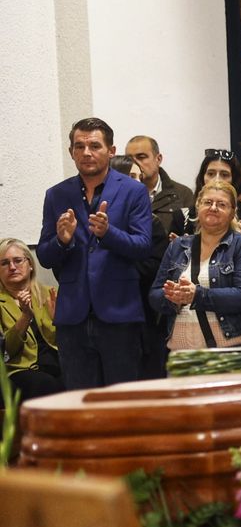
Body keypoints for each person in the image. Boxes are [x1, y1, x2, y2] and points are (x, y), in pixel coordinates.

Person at [37, 117, 153, 390]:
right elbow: (44, 255)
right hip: (72, 317)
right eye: (79, 146)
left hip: (118, 314)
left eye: (94, 145)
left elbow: (143, 246)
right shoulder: (56, 194)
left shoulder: (133, 191)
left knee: (121, 402)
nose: (86, 152)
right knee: (80, 403)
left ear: (111, 151)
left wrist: (108, 233)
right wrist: (62, 241)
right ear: (71, 152)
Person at [148, 181, 241, 357]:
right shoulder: (178, 246)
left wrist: (197, 295)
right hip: (180, 355)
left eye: (221, 204)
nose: (213, 208)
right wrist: (172, 298)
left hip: (229, 353)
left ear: (232, 212)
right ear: (198, 206)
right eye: (207, 202)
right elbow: (154, 294)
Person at [124, 134, 196, 379]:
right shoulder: (120, 198)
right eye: (131, 158)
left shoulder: (182, 195)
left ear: (158, 158)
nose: (137, 163)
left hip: (170, 287)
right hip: (134, 290)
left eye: (142, 157)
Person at [1, 239, 61, 400]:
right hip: (18, 370)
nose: (12, 267)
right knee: (44, 384)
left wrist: (61, 323)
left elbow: (67, 343)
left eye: (18, 260)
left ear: (30, 264)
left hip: (55, 364)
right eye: (4, 263)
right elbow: (4, 352)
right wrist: (26, 316)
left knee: (79, 378)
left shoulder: (51, 294)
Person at [191, 149, 241, 226]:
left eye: (224, 175)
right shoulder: (182, 218)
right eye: (211, 174)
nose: (217, 180)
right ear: (202, 178)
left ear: (234, 180)